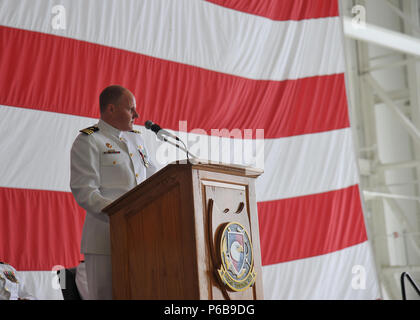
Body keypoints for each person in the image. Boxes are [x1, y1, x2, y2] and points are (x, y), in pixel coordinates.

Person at [70, 85, 158, 299]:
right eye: (131, 109)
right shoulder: (89, 140)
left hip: (140, 238)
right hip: (104, 240)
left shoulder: (136, 139)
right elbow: (85, 191)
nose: (136, 114)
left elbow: (152, 177)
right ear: (111, 109)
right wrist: (120, 216)